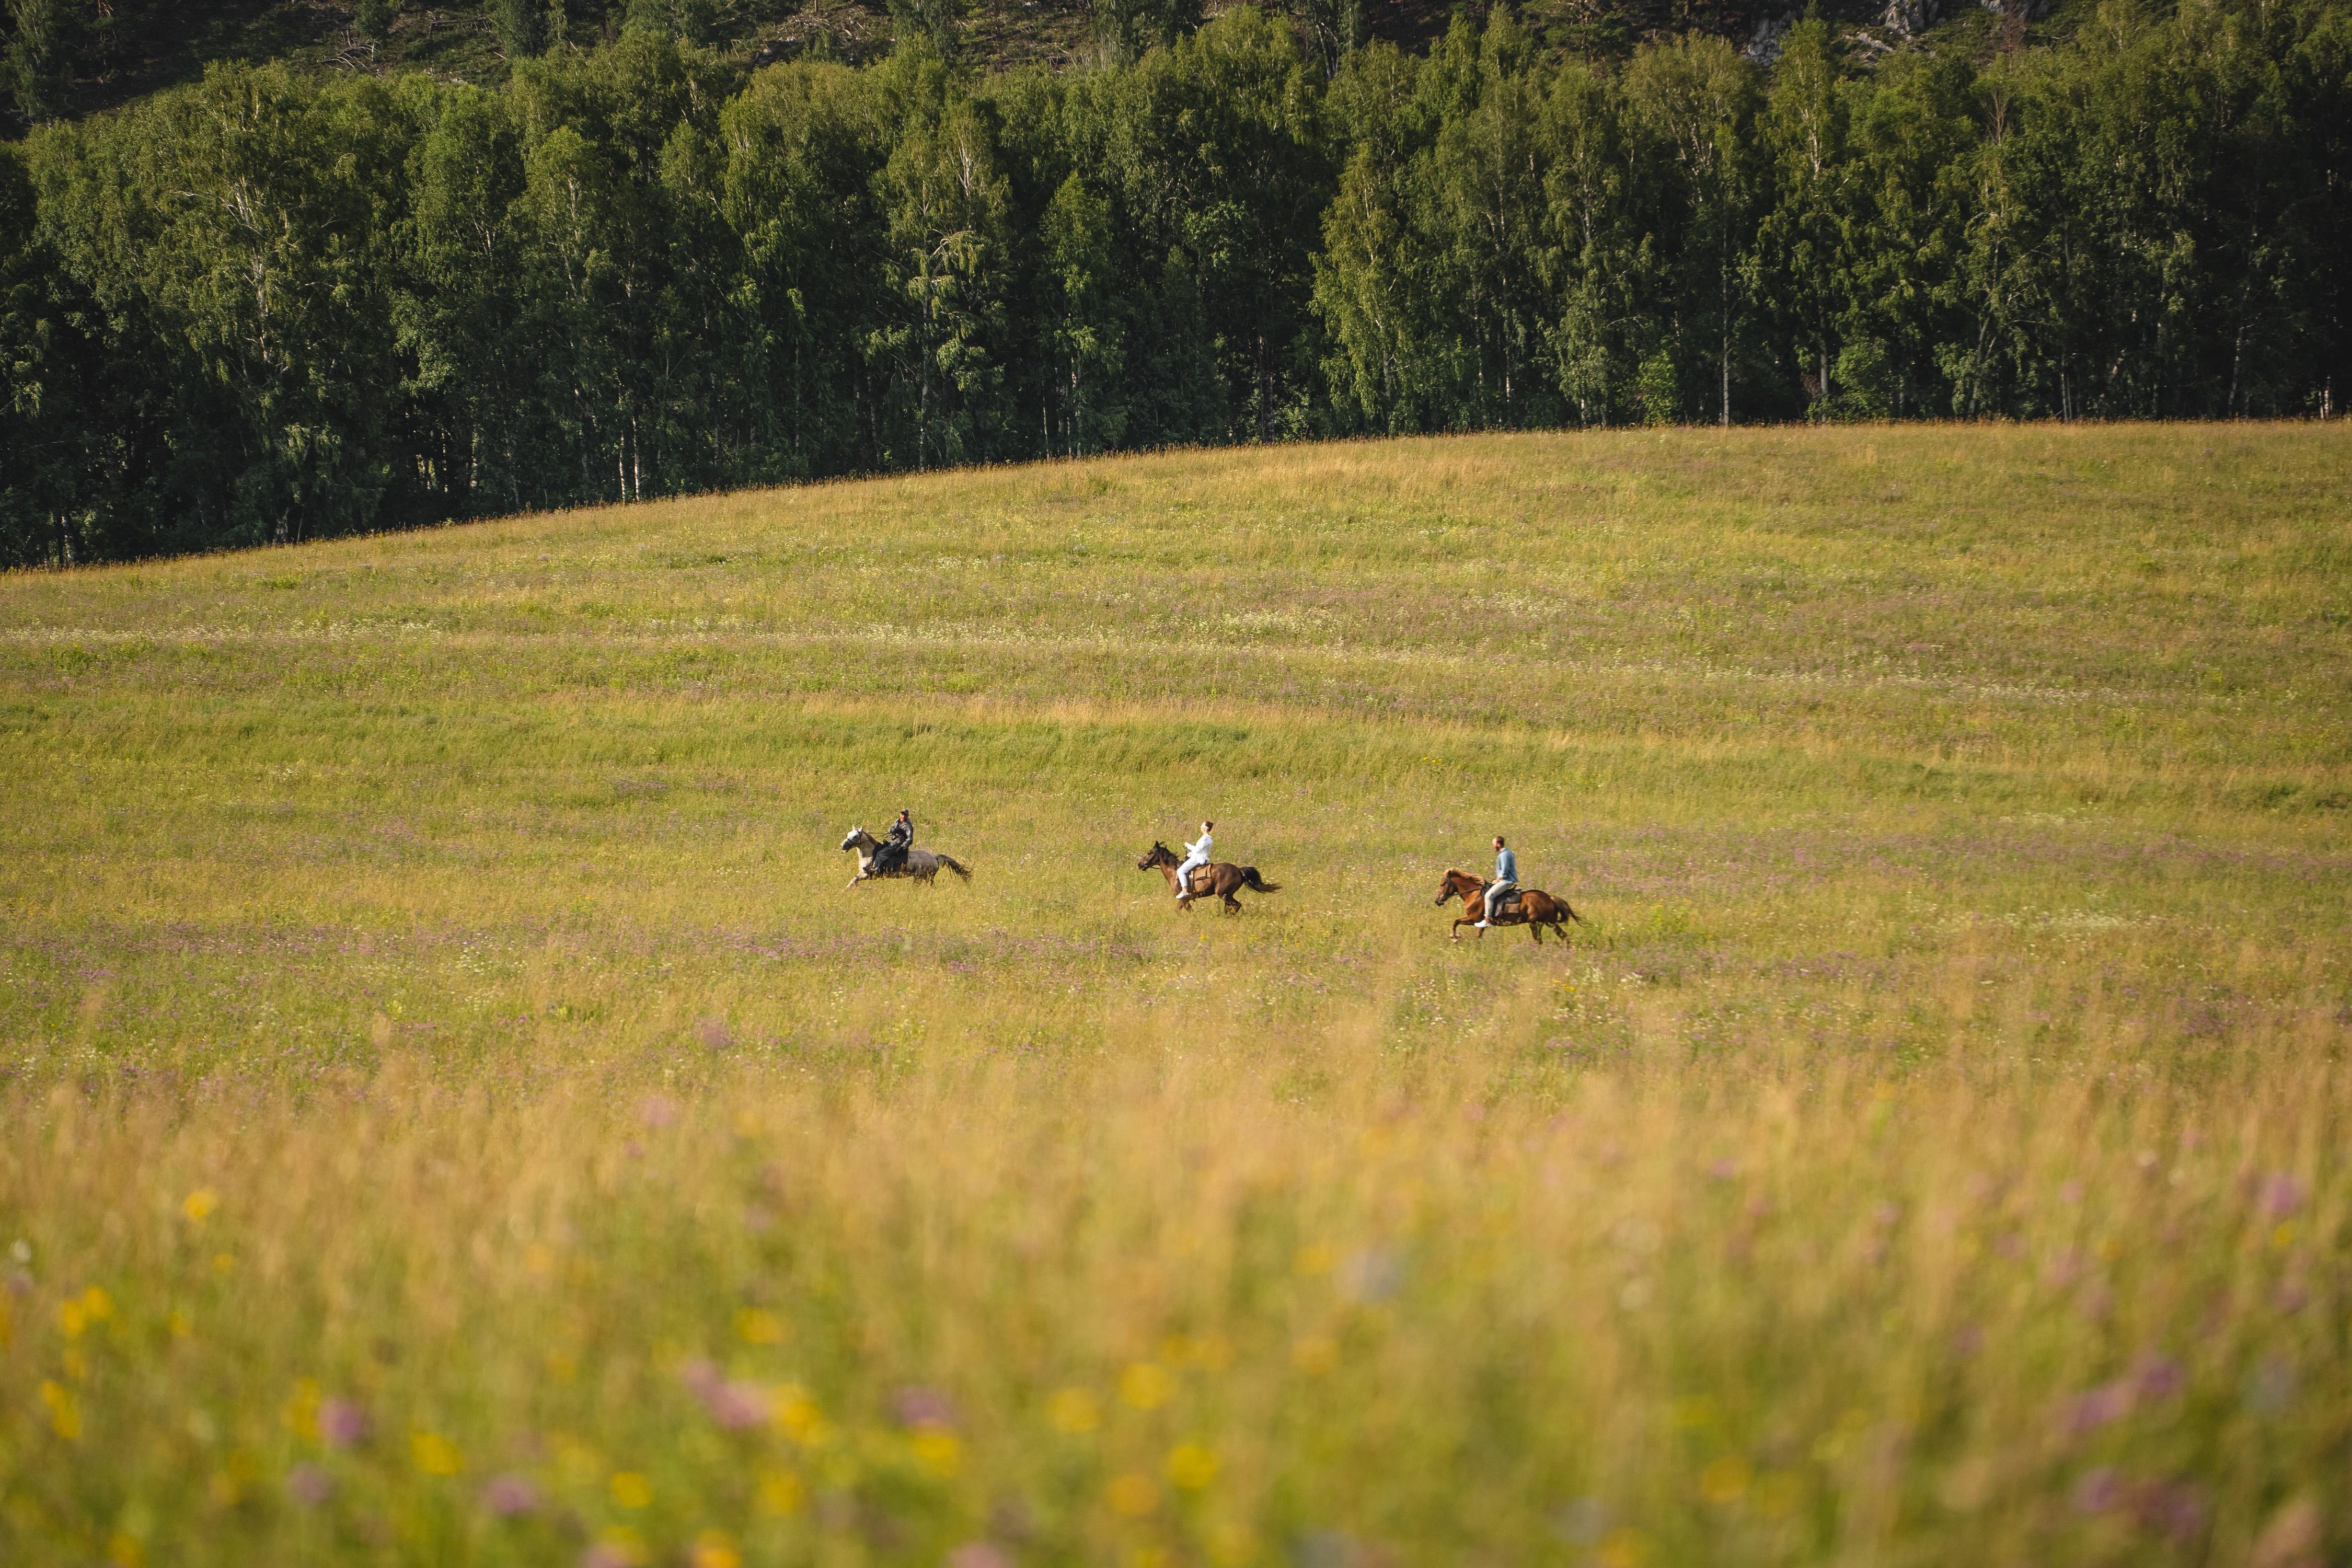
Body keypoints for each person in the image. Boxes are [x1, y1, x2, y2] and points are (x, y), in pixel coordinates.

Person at [1475, 835, 1517, 928]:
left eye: (1493, 844)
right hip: (1505, 879)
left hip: (1506, 881)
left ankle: (1487, 920)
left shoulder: (1504, 855)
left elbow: (1504, 871)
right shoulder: (1507, 852)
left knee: (1489, 896)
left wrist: (1497, 880)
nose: (1493, 846)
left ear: (1498, 844)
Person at [1173, 820, 1214, 903]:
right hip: (1198, 857)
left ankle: (1185, 891)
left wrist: (1188, 846)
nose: (1201, 828)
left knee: (1181, 871)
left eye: (1202, 826)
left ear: (1206, 828)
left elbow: (1198, 850)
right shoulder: (1206, 838)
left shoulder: (1206, 838)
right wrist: (1189, 854)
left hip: (1198, 859)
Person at [872, 809, 914, 878]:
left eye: (905, 815)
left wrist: (903, 846)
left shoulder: (908, 826)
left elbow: (910, 839)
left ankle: (875, 870)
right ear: (900, 815)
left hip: (898, 844)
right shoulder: (897, 821)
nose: (903, 816)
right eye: (902, 814)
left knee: (880, 854)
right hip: (892, 842)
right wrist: (894, 830)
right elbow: (890, 830)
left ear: (907, 816)